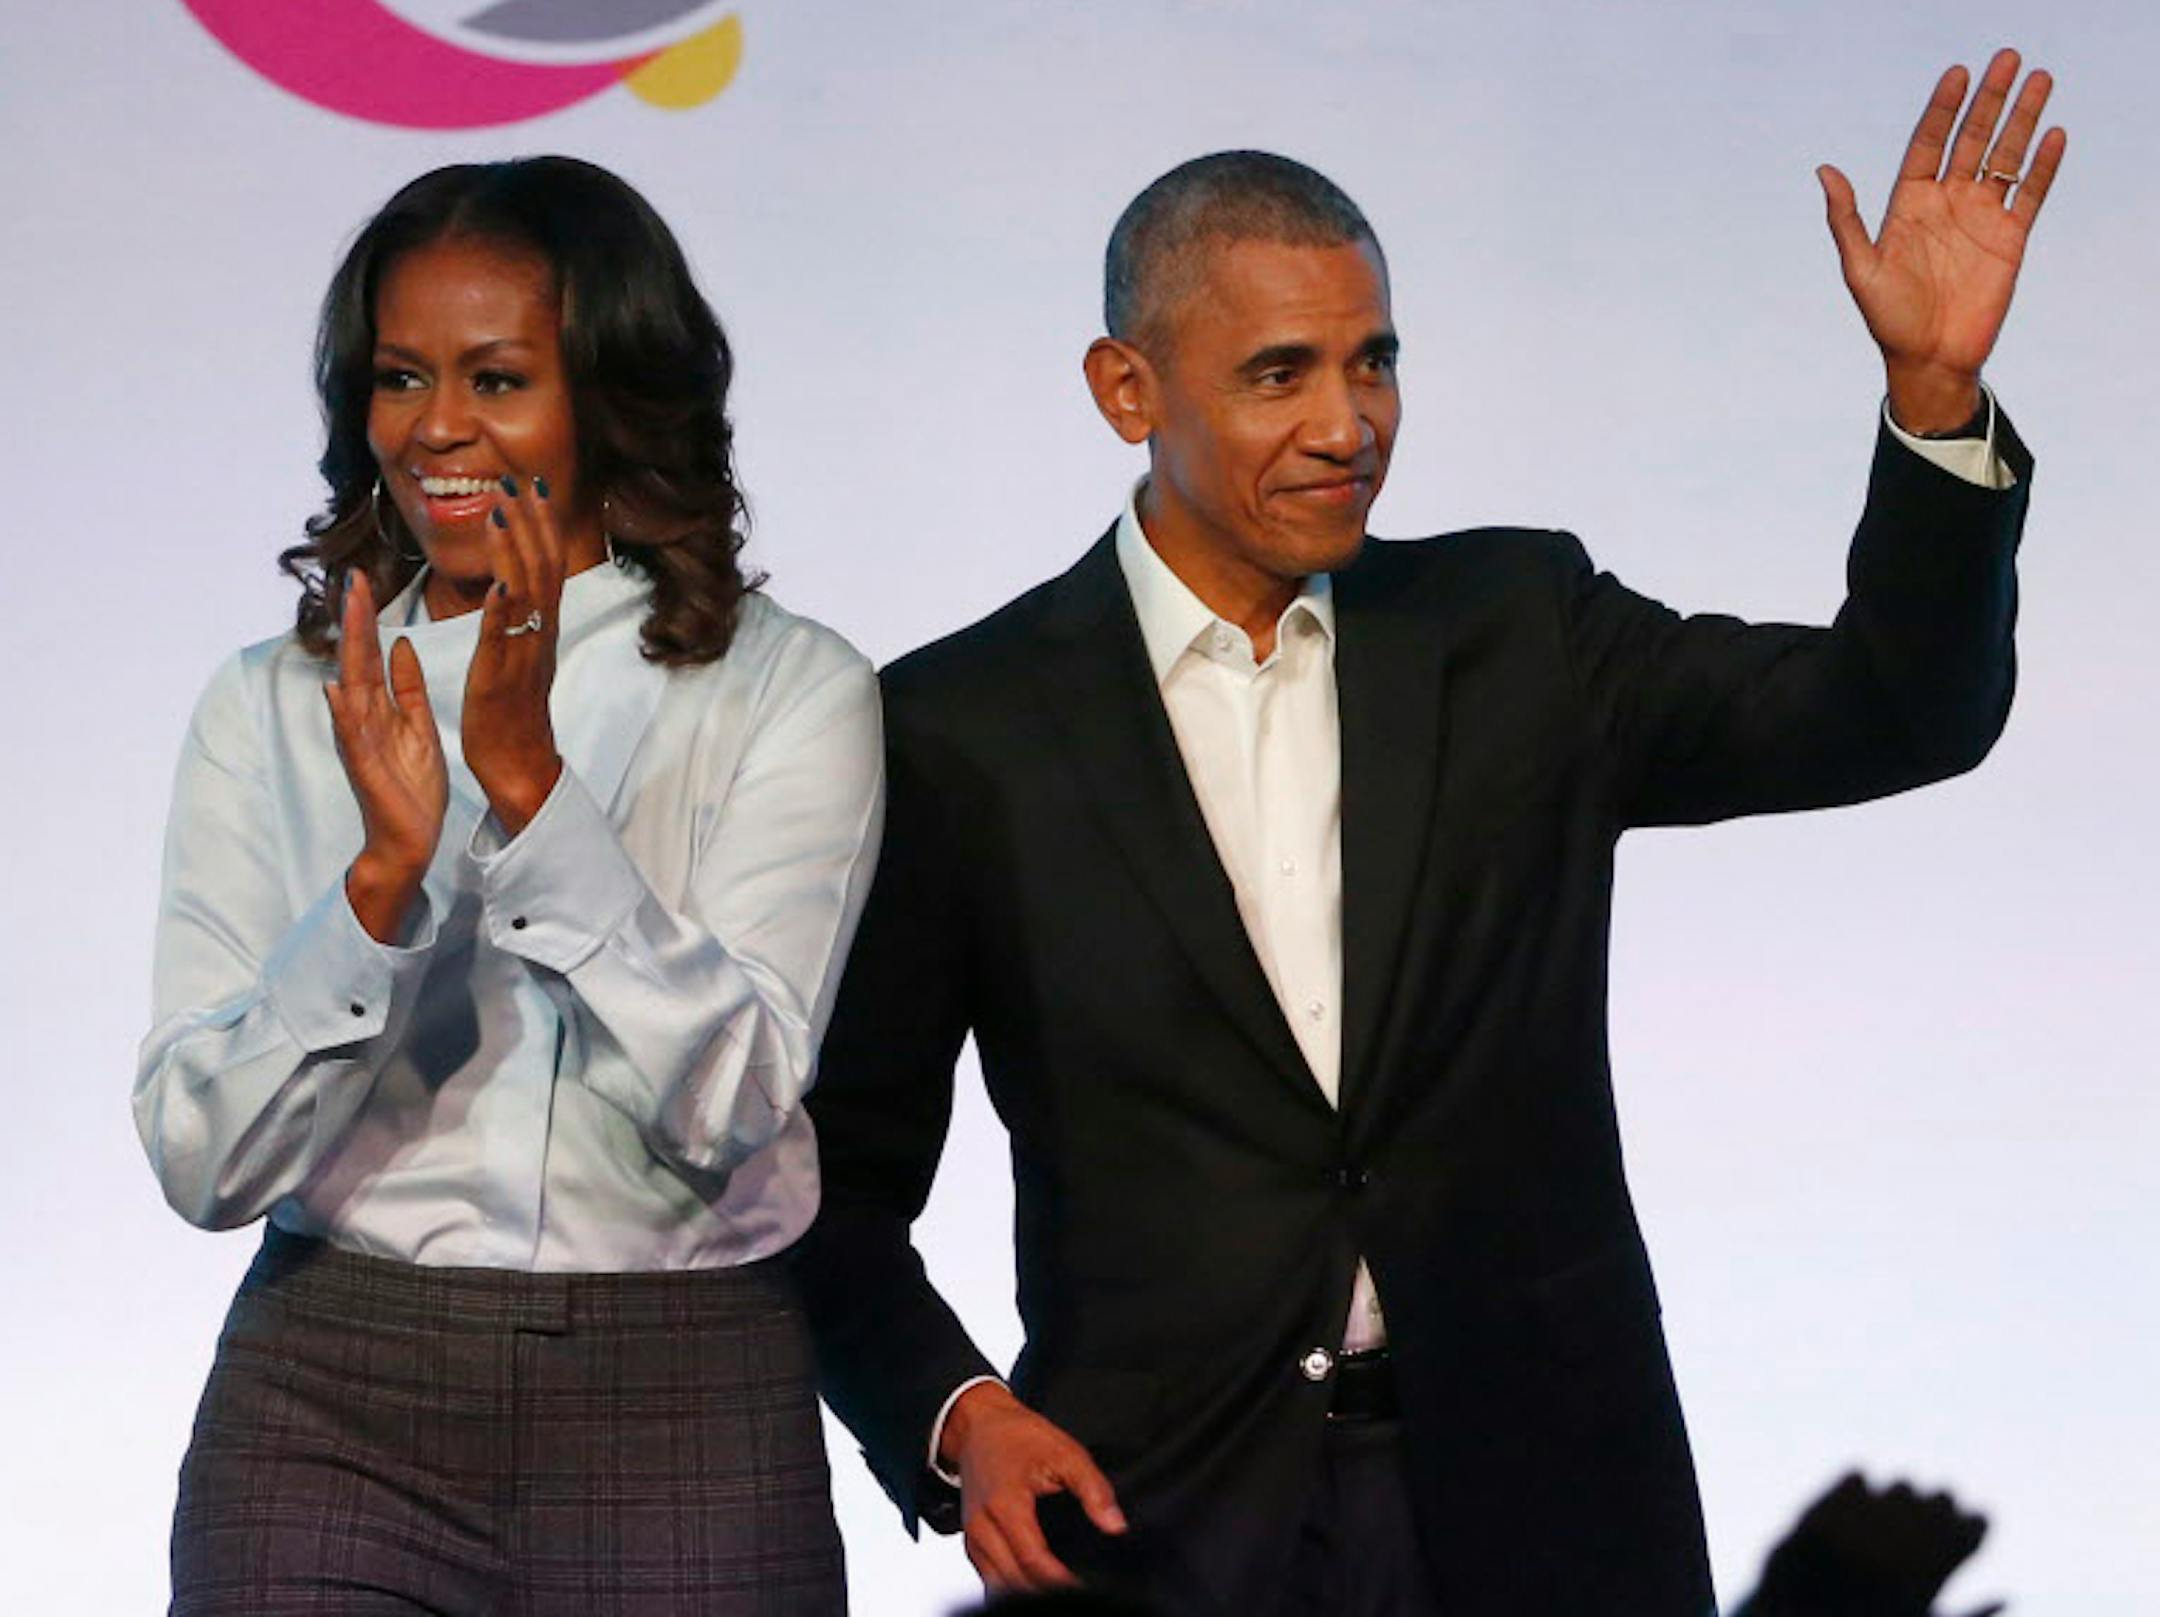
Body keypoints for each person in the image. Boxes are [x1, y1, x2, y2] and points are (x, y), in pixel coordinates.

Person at [791, 49, 2062, 1617]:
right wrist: (957, 1413)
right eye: (1281, 374)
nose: (1349, 423)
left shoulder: (1520, 627)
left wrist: (1932, 398)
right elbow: (835, 1181)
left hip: (1547, 1503)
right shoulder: (957, 727)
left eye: (1374, 362)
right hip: (1163, 1525)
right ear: (1128, 389)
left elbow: (1895, 712)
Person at [134, 157, 878, 1614]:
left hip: (682, 1394)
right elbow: (203, 1159)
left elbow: (735, 1098)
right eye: (400, 378)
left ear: (609, 397)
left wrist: (534, 796)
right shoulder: (270, 703)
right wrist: (379, 888)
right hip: (333, 1389)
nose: (439, 428)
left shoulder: (789, 688)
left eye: (497, 378)